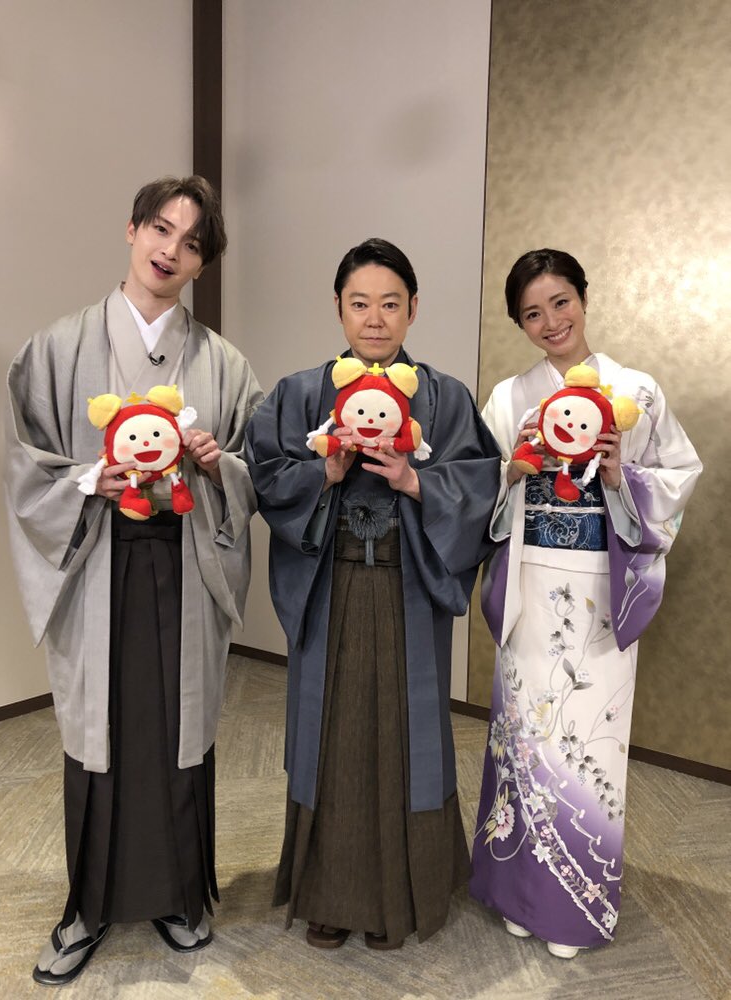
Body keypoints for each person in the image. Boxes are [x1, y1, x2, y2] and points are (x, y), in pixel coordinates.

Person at [5, 176, 263, 985]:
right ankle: (85, 910)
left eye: (192, 244)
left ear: (202, 264)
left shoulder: (223, 363)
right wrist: (91, 479)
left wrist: (219, 467)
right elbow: (25, 465)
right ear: (131, 229)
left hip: (186, 565)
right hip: (96, 563)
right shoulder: (57, 348)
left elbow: (254, 470)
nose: (170, 251)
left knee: (177, 730)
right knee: (101, 733)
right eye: (160, 229)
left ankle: (180, 899)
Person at [245, 238, 501, 950]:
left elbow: (481, 482)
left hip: (409, 587)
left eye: (391, 303)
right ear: (338, 308)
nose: (376, 318)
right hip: (329, 586)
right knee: (331, 738)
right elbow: (263, 472)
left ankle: (401, 897)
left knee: (405, 739)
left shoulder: (446, 398)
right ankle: (328, 896)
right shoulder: (301, 393)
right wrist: (323, 474)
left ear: (413, 309)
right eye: (360, 303)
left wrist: (416, 481)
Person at [469, 249, 701, 958]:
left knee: (584, 742)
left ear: (584, 298)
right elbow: (479, 489)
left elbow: (678, 474)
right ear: (519, 322)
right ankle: (515, 893)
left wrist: (621, 473)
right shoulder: (508, 398)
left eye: (561, 302)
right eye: (532, 313)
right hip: (531, 587)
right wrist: (512, 472)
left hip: (600, 588)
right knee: (523, 737)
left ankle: (571, 909)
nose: (551, 322)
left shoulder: (637, 392)